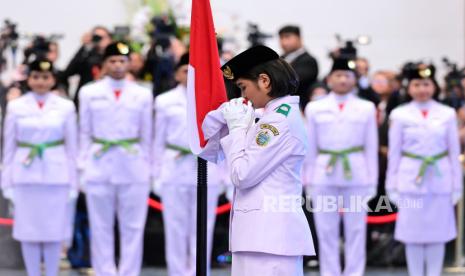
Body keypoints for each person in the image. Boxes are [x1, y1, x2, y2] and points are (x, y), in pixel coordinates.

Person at [218, 45, 314, 276]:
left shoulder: (277, 121)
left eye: (243, 87)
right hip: (260, 236)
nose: (243, 96)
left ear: (264, 81)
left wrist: (238, 129)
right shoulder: (272, 116)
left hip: (270, 237)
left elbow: (242, 174)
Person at [78, 42, 153, 276]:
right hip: (99, 163)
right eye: (112, 61)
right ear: (104, 64)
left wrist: (150, 168)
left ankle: (129, 272)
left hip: (133, 164)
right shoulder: (89, 92)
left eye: (122, 61)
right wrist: (82, 167)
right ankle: (104, 272)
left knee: (133, 226)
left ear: (129, 63)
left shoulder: (142, 93)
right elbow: (84, 132)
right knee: (100, 226)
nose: (118, 66)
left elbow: (147, 134)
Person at [1, 58, 78, 276]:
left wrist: (73, 182)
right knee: (28, 231)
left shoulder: (65, 106)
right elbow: (9, 147)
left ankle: (52, 272)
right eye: (36, 77)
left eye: (46, 77)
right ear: (29, 79)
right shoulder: (16, 107)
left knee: (54, 231)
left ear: (53, 79)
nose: (41, 82)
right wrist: (7, 182)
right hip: (25, 176)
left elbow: (72, 148)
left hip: (56, 176)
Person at [304, 56, 378, 276]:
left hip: (357, 172)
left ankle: (355, 272)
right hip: (323, 173)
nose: (343, 80)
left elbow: (371, 147)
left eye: (347, 76)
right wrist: (308, 179)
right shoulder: (315, 108)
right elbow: (310, 147)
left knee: (356, 229)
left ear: (354, 79)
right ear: (329, 79)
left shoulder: (366, 108)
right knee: (326, 230)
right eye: (338, 75)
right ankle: (330, 272)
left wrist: (372, 181)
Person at [386, 63, 462, 276]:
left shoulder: (447, 114)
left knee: (438, 233)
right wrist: (391, 185)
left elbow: (453, 152)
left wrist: (457, 185)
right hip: (410, 178)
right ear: (409, 88)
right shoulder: (400, 114)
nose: (422, 89)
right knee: (412, 233)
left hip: (440, 177)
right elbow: (394, 153)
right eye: (417, 84)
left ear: (434, 86)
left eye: (426, 84)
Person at [152, 52, 224, 276]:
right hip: (174, 167)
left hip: (207, 165)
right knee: (175, 227)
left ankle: (199, 271)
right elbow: (157, 140)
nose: (190, 76)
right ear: (177, 74)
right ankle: (176, 272)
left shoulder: (215, 101)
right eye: (185, 71)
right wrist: (156, 174)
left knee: (205, 226)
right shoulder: (164, 101)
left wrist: (224, 173)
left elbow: (223, 139)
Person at [61, 26, 112, 107]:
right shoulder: (86, 55)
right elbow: (68, 72)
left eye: (104, 37)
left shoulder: (115, 58)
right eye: (97, 37)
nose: (100, 40)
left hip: (107, 100)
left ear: (110, 39)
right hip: (85, 100)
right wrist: (84, 46)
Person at [278, 25, 319, 110]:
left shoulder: (309, 60)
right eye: (281, 38)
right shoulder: (278, 59)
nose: (284, 42)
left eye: (287, 37)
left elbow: (295, 81)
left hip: (301, 107)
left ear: (299, 38)